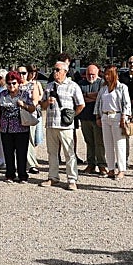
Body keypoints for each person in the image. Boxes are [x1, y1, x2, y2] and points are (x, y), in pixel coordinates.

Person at [39, 61, 85, 190]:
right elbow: (42, 106)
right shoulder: (48, 87)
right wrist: (47, 102)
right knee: (52, 153)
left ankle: (72, 179)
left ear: (65, 72)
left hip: (65, 126)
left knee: (69, 153)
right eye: (54, 69)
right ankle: (53, 177)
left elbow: (81, 104)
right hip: (51, 124)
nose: (55, 72)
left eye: (58, 70)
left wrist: (71, 116)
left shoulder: (73, 86)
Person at [0, 71, 36, 183]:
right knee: (8, 152)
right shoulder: (2, 94)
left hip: (21, 127)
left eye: (14, 83)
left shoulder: (25, 94)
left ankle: (23, 175)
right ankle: (10, 174)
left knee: (21, 152)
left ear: (18, 83)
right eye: (9, 83)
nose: (11, 86)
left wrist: (24, 105)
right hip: (6, 128)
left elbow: (33, 108)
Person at [97, 64, 132, 180]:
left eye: (108, 74)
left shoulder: (122, 87)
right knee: (108, 144)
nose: (106, 77)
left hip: (117, 116)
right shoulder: (103, 89)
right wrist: (98, 116)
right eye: (105, 74)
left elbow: (127, 104)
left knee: (119, 144)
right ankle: (111, 169)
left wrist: (124, 117)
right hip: (105, 116)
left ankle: (121, 169)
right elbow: (98, 103)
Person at [79, 64, 105, 175]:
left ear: (98, 73)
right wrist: (93, 97)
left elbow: (101, 97)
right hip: (85, 118)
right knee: (89, 142)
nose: (90, 76)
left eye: (93, 74)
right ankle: (91, 164)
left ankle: (102, 165)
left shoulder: (102, 84)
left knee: (99, 142)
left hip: (97, 118)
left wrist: (88, 96)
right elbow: (80, 99)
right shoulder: (81, 84)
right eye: (88, 74)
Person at [20, 65, 44, 175]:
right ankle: (25, 162)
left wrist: (26, 106)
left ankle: (31, 163)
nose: (22, 75)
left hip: (30, 114)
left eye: (24, 73)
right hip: (18, 115)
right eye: (20, 73)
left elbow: (37, 99)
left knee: (32, 139)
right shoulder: (16, 85)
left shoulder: (33, 85)